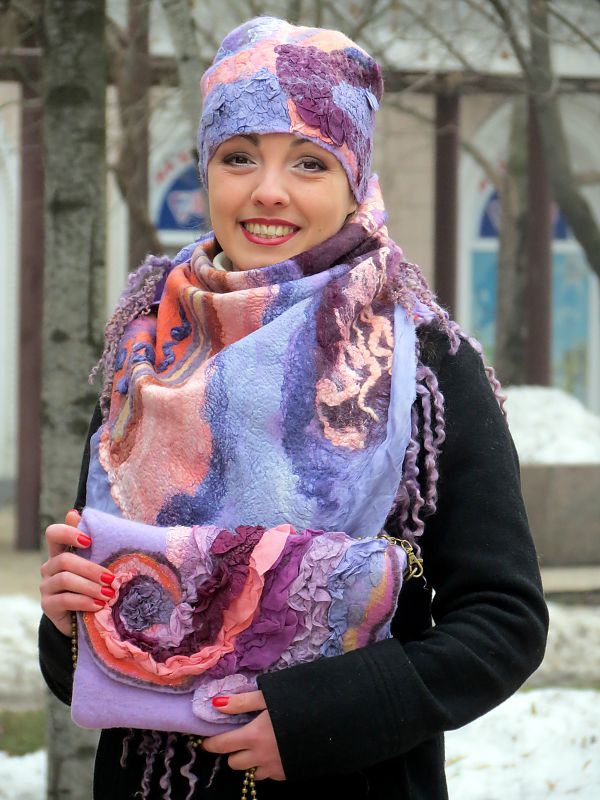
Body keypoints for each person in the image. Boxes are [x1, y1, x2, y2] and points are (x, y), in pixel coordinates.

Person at [39, 15, 548, 800]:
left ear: (356, 182)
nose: (267, 190)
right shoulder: (149, 351)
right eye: (239, 157)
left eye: (310, 161)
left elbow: (503, 622)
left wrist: (319, 721)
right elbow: (82, 659)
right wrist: (68, 618)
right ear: (208, 171)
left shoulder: (421, 364)